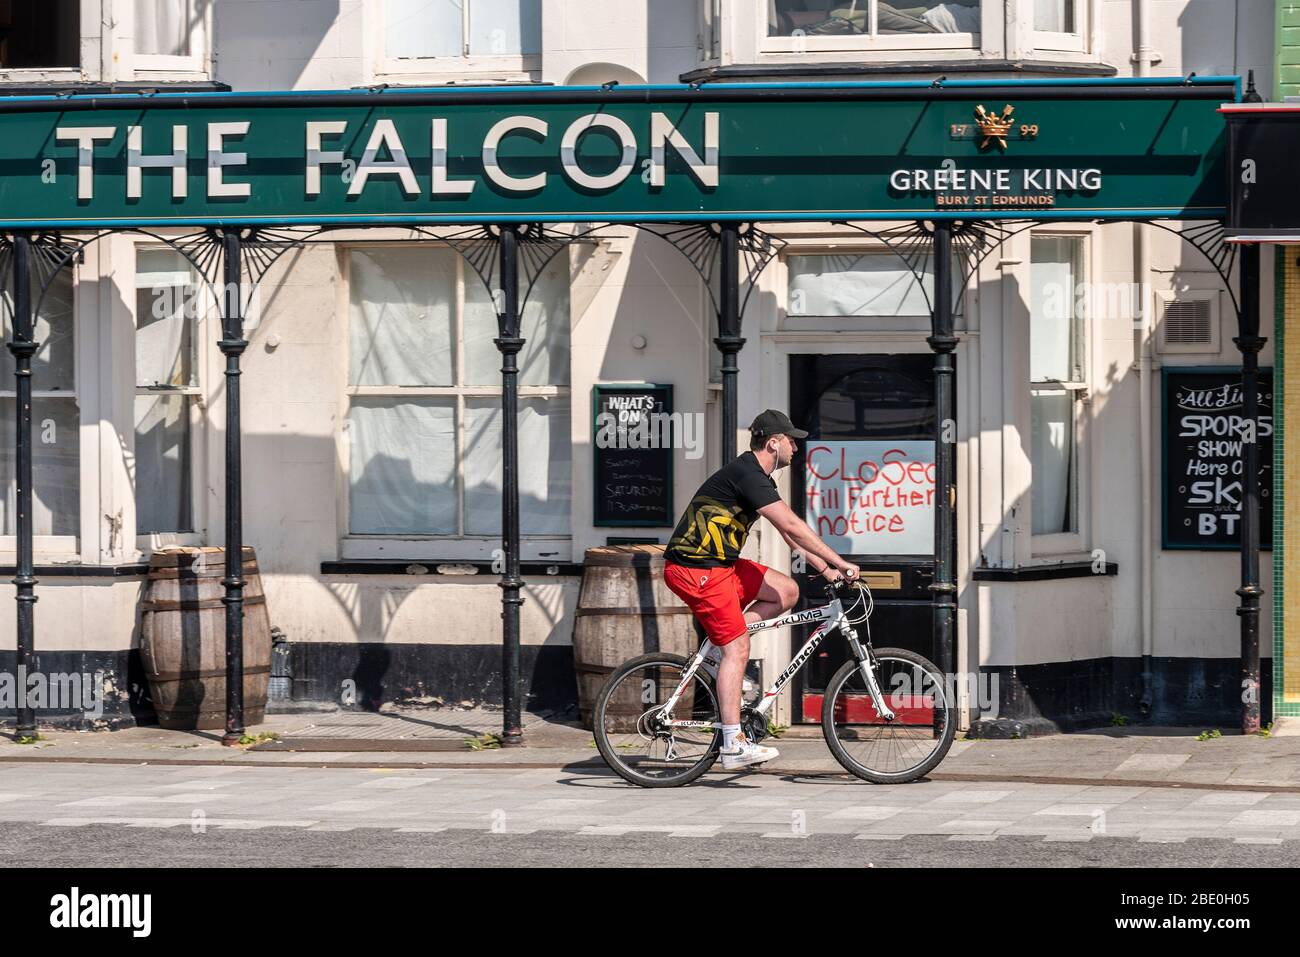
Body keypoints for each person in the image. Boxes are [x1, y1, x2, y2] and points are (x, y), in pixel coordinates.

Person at [662, 409, 860, 770]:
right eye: (791, 441)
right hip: (695, 568)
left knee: (785, 591)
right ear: (774, 442)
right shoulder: (748, 474)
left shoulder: (761, 477)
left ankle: (725, 646)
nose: (796, 448)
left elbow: (787, 535)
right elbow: (793, 525)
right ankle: (733, 744)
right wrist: (842, 561)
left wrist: (826, 569)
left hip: (720, 565)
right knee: (738, 646)